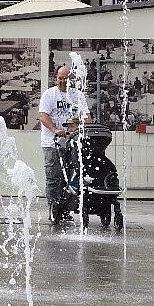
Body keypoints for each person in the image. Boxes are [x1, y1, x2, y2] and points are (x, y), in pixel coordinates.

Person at [38, 65, 90, 223]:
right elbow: (43, 115)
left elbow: (87, 117)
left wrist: (77, 124)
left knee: (70, 177)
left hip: (72, 142)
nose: (63, 81)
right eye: (60, 78)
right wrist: (54, 130)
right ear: (56, 78)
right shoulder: (50, 94)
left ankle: (65, 208)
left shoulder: (78, 96)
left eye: (66, 78)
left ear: (71, 79)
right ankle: (54, 208)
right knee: (54, 177)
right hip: (53, 143)